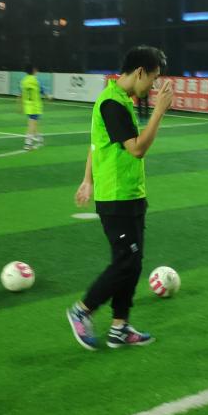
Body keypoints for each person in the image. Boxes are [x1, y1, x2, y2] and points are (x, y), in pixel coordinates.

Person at [68, 46, 173, 350]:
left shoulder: (121, 99)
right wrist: (159, 112)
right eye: (152, 78)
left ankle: (119, 327)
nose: (153, 86)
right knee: (126, 261)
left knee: (132, 262)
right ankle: (82, 310)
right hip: (116, 198)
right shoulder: (111, 103)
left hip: (130, 194)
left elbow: (96, 145)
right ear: (140, 72)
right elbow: (136, 148)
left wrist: (87, 179)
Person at [19, 64, 47, 150]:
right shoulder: (36, 80)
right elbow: (42, 91)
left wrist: (20, 106)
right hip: (35, 106)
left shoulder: (23, 81)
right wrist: (48, 97)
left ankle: (39, 137)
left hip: (27, 106)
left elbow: (21, 94)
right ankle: (28, 143)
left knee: (33, 122)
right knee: (31, 124)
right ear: (34, 71)